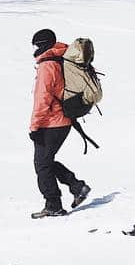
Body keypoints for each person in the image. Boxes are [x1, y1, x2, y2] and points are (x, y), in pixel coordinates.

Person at [29, 28, 91, 218]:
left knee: (42, 165)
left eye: (35, 45)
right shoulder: (61, 58)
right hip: (63, 120)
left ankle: (54, 205)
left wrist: (34, 126)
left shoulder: (48, 66)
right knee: (45, 162)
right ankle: (76, 186)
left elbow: (42, 98)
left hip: (51, 122)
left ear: (41, 45)